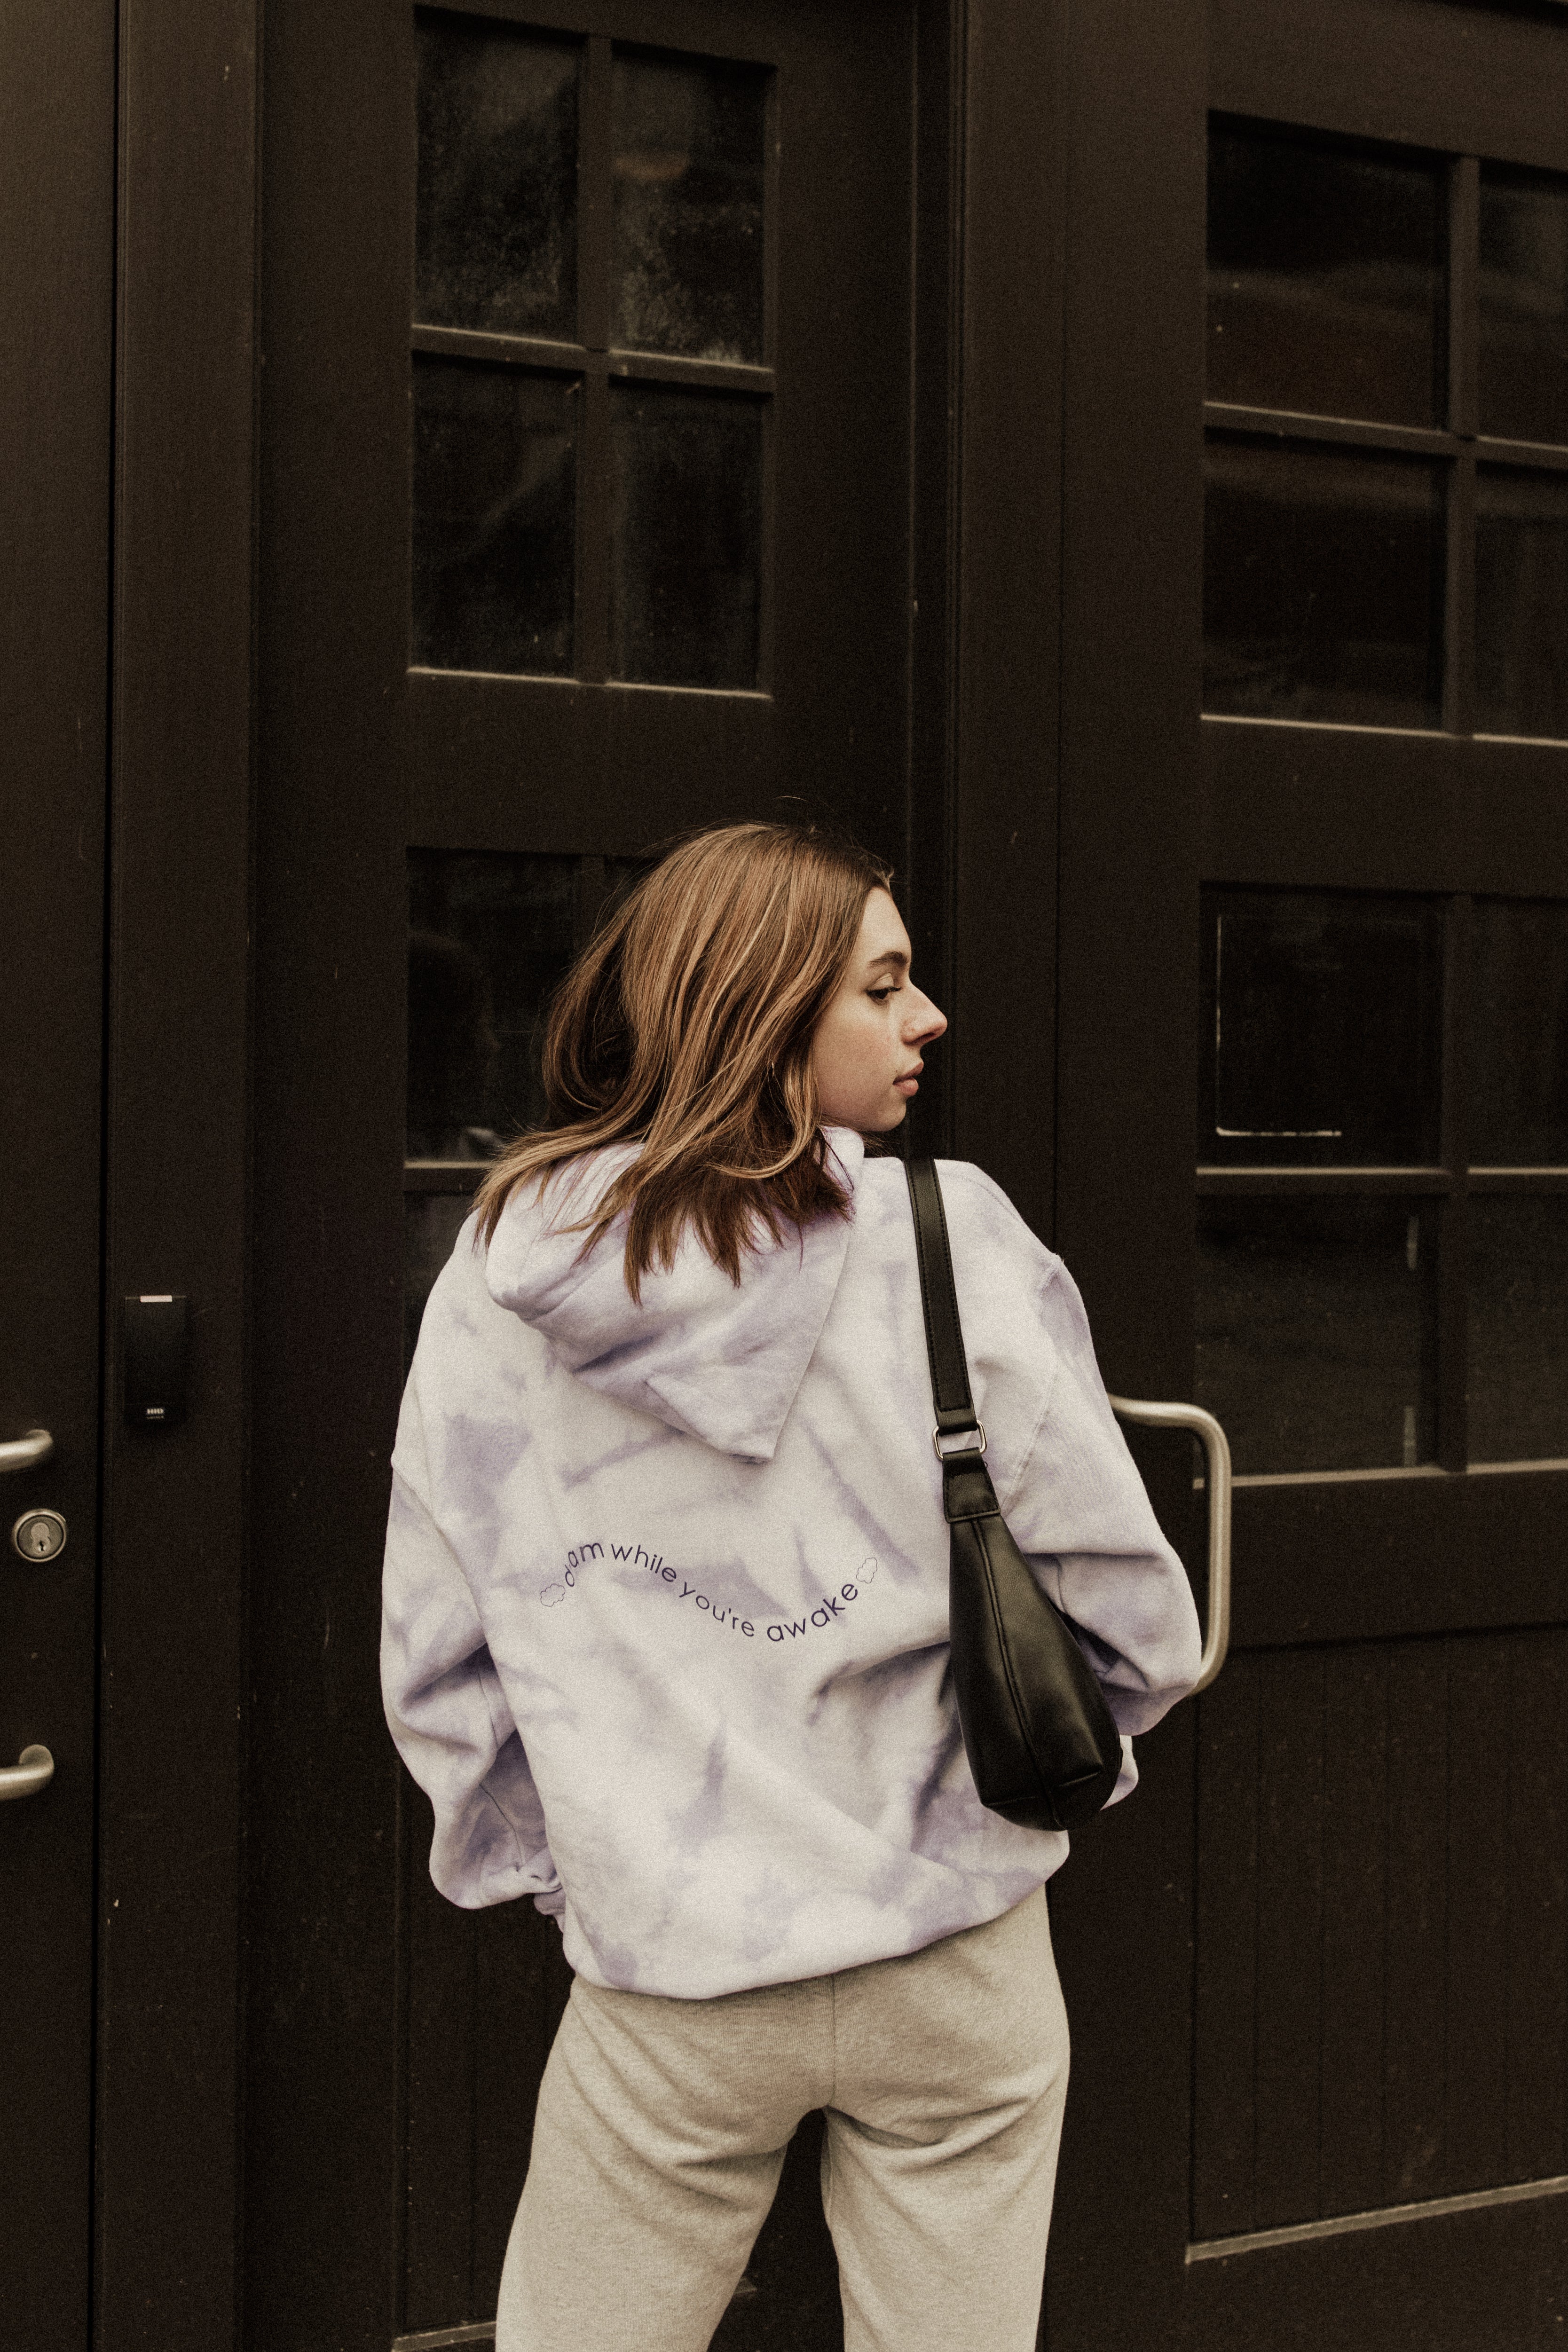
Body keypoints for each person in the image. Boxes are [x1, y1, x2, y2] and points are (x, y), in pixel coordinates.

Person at [381, 820, 1202, 2352]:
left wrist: (589, 1871)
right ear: (759, 1012)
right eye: (883, 982)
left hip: (672, 1978)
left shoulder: (500, 1278)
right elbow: (1140, 1627)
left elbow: (438, 1671)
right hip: (952, 1954)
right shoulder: (952, 1245)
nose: (927, 1015)